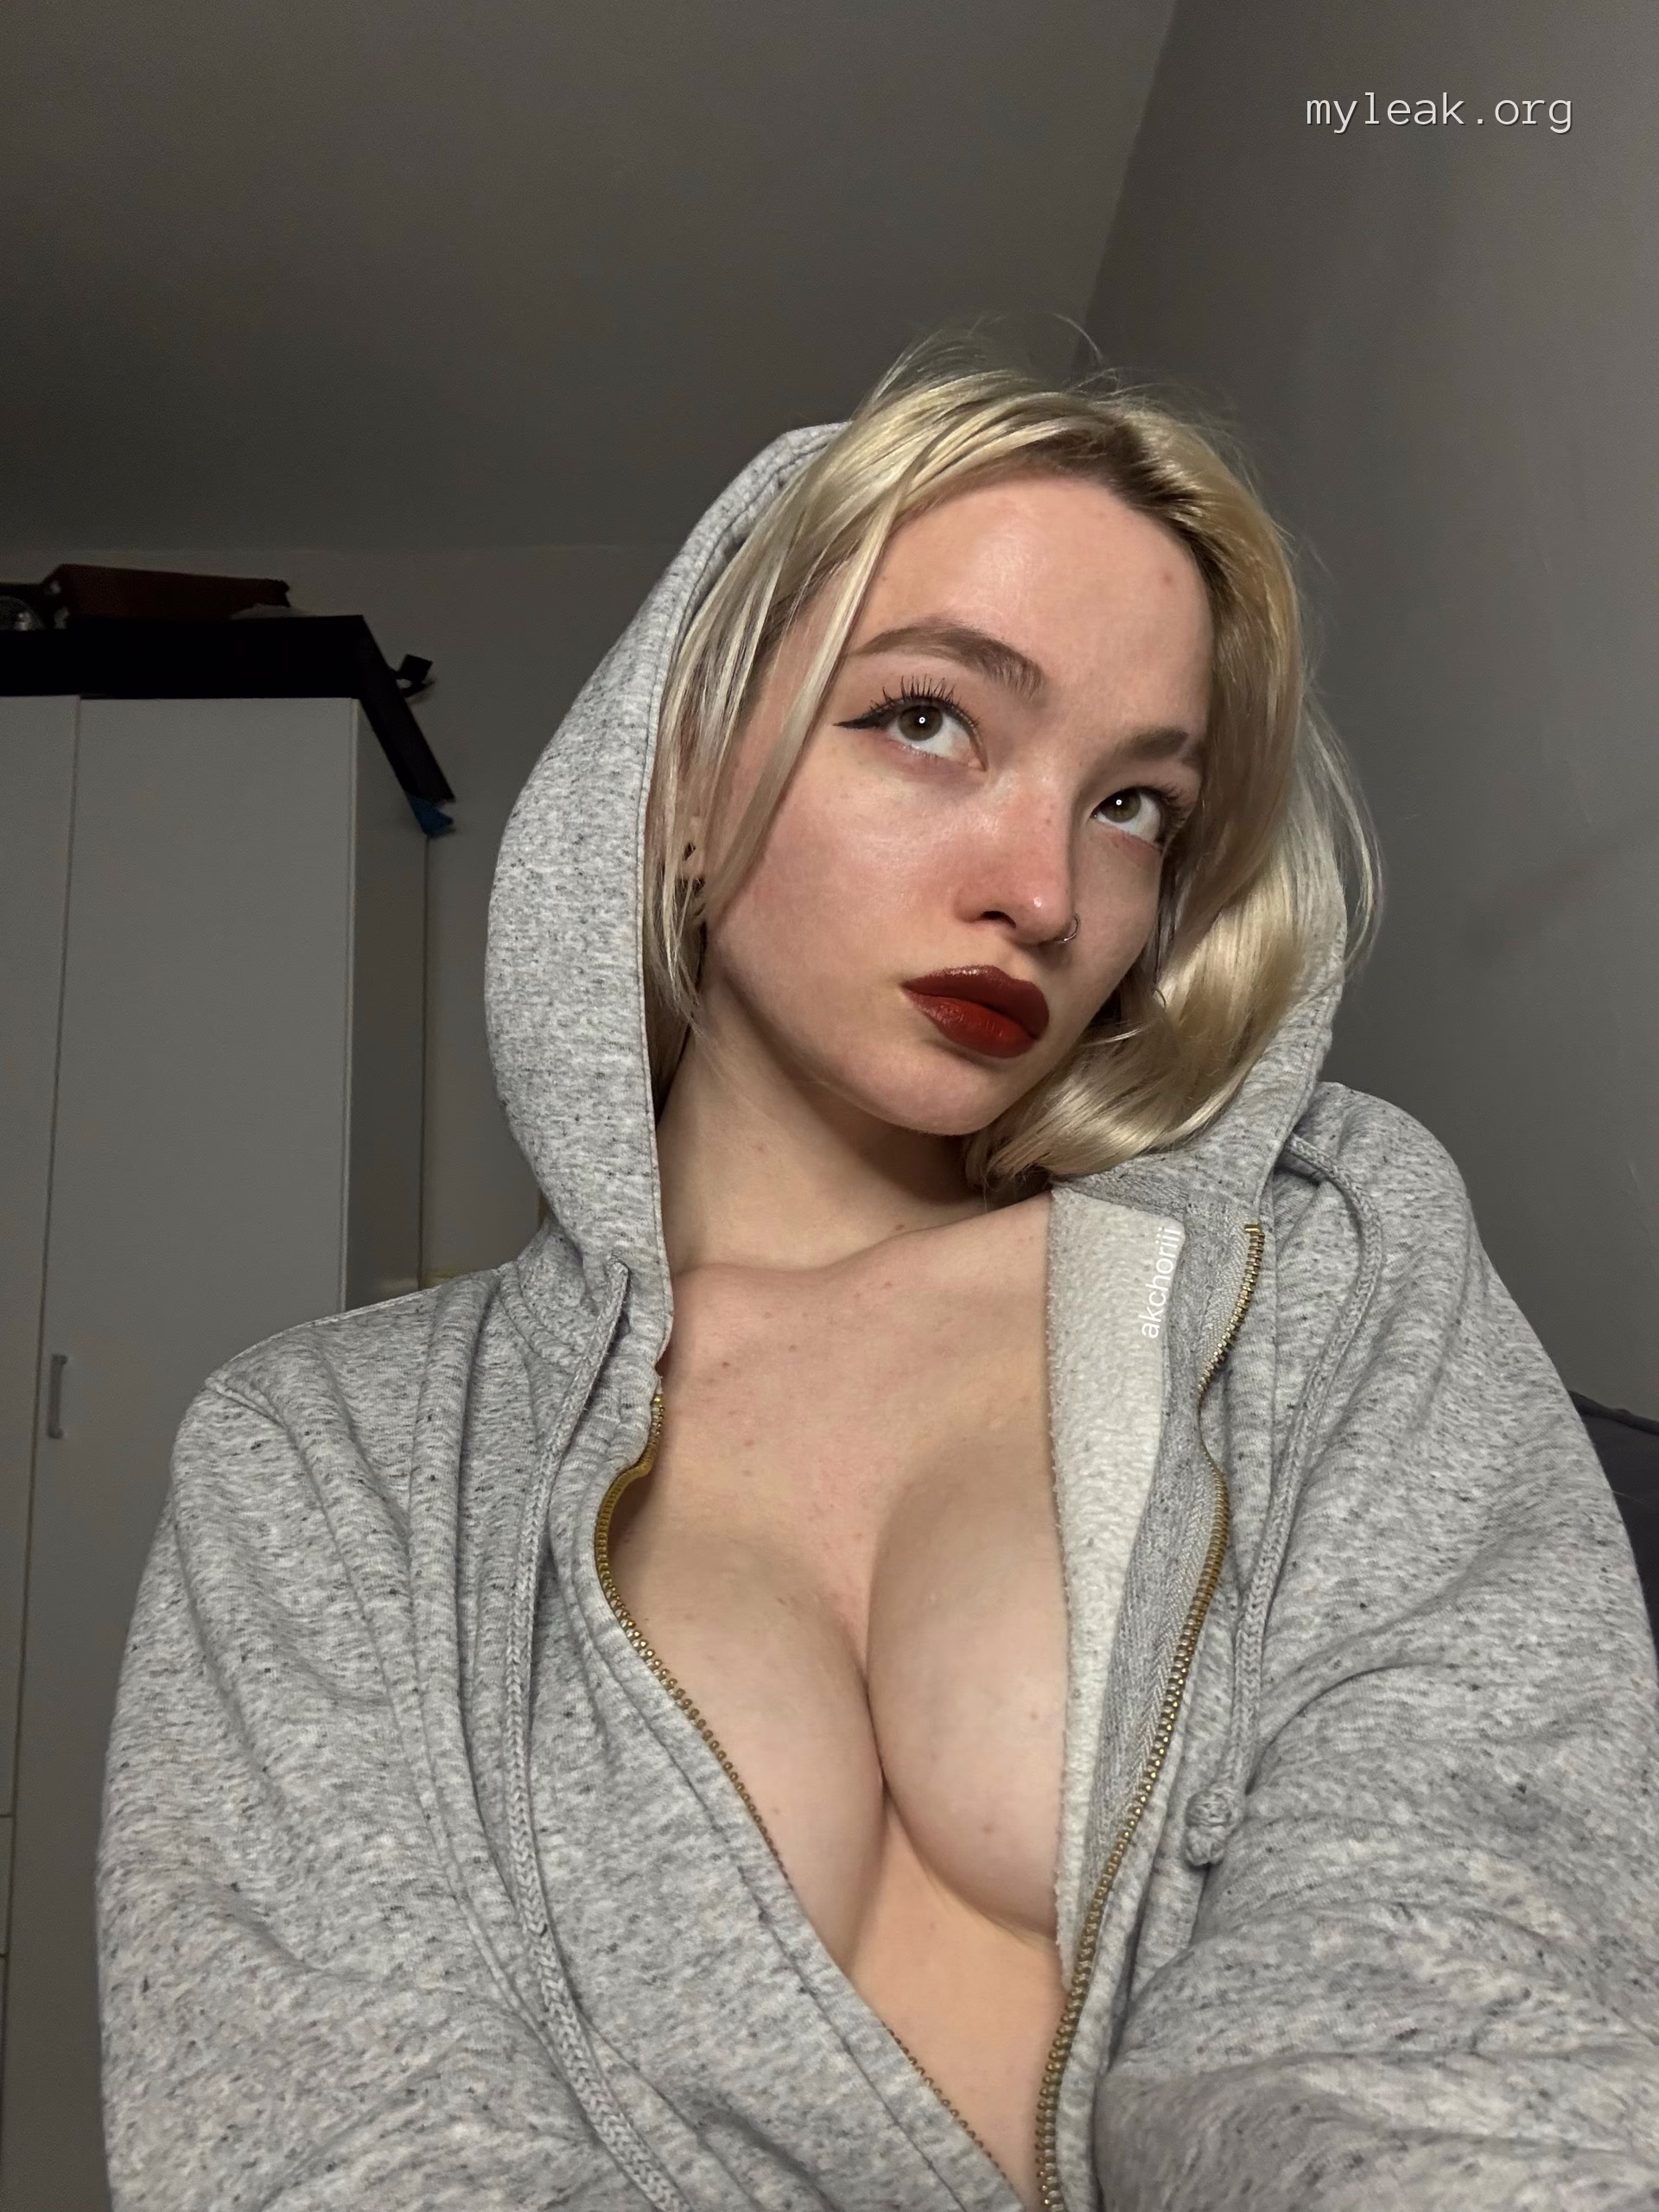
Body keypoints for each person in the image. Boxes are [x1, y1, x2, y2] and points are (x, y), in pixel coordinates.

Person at [98, 339, 1659, 2212]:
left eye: (1135, 804)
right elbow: (352, 2148)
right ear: (683, 782)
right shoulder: (326, 1461)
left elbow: (1446, 1995)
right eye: (929, 717)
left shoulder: (1324, 1268)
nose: (1045, 892)